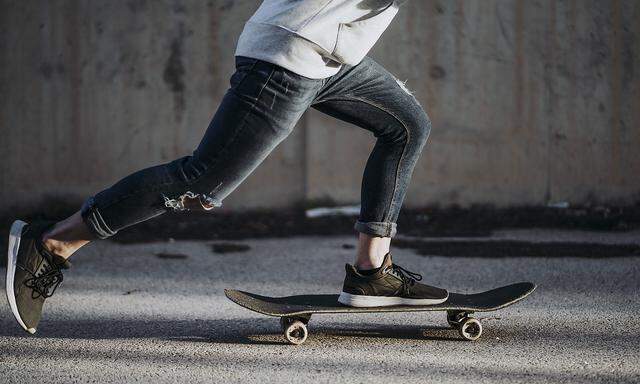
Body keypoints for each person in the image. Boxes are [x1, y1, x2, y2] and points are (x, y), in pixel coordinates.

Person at [5, 0, 448, 335]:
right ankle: (51, 243)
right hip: (288, 54)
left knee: (407, 126)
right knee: (201, 180)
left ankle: (371, 274)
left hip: (331, 56)